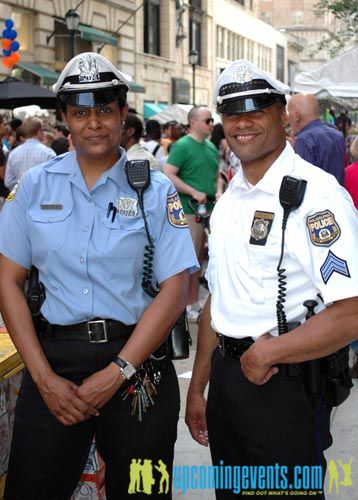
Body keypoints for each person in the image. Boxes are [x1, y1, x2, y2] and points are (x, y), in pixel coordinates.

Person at [0, 51, 198, 500]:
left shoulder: (156, 188)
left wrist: (119, 370)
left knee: (144, 493)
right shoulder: (34, 186)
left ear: (123, 114)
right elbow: (7, 280)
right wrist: (43, 378)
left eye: (105, 110)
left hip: (138, 366)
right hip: (53, 364)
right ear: (65, 119)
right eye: (81, 112)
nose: (94, 123)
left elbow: (175, 288)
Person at [185, 59, 358, 499]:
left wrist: (270, 353)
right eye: (231, 112)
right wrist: (200, 386)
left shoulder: (318, 196)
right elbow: (218, 300)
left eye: (256, 109)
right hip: (228, 381)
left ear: (284, 115)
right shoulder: (231, 198)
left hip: (285, 383)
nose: (242, 123)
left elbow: (351, 311)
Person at [164, 106, 219, 322]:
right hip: (189, 212)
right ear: (194, 122)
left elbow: (216, 176)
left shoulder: (211, 147)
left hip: (210, 210)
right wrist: (193, 192)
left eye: (212, 120)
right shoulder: (182, 145)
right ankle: (187, 304)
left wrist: (220, 191)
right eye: (208, 120)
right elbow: (168, 174)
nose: (211, 124)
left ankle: (194, 302)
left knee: (204, 259)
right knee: (190, 261)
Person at [287, 93, 345, 185]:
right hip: (337, 195)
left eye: (288, 113)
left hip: (317, 197)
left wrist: (291, 152)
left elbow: (302, 182)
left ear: (296, 116)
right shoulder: (337, 134)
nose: (287, 118)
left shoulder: (304, 139)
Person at [4, 116, 56, 190]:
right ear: (39, 131)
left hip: (21, 198)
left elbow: (8, 182)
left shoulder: (13, 154)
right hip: (43, 198)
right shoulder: (48, 153)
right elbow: (54, 180)